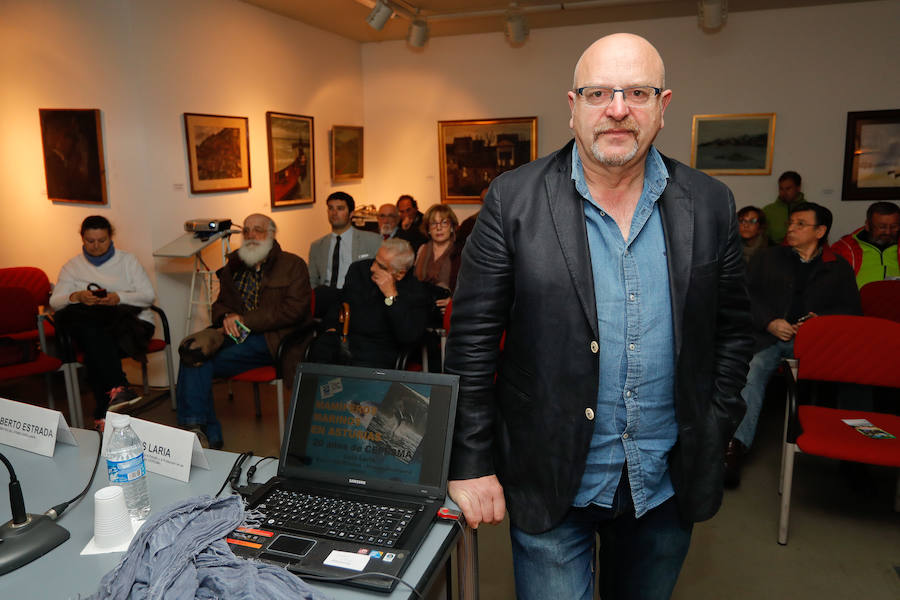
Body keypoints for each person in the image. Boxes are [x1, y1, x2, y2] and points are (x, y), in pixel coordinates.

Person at [444, 33, 753, 600]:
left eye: (636, 92)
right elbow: (471, 344)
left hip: (664, 482)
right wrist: (470, 461)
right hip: (551, 478)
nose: (617, 109)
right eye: (598, 93)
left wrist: (716, 418)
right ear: (572, 106)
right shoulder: (512, 199)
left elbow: (733, 331)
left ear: (663, 106)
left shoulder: (710, 203)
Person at [724, 202, 861, 487]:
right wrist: (770, 322)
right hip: (771, 337)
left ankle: (853, 458)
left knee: (853, 374)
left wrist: (820, 322)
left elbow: (851, 312)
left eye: (801, 224)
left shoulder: (839, 269)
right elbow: (743, 297)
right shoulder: (767, 258)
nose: (791, 228)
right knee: (752, 370)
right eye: (791, 223)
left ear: (820, 231)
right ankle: (734, 449)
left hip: (819, 343)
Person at [176, 214, 312, 449]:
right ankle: (199, 432)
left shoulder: (293, 264)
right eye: (246, 231)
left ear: (271, 235)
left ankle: (202, 432)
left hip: (276, 340)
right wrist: (226, 317)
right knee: (194, 353)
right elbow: (220, 304)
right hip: (235, 336)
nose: (251, 236)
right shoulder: (235, 265)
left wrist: (245, 320)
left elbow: (294, 310)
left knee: (200, 361)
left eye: (258, 230)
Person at [50, 216, 156, 429]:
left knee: (92, 339)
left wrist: (119, 297)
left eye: (102, 240)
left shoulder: (128, 261)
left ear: (110, 237)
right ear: (82, 239)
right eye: (90, 241)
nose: (96, 246)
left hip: (132, 324)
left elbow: (148, 296)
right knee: (93, 332)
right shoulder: (73, 266)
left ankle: (103, 412)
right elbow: (55, 301)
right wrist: (76, 296)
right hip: (99, 328)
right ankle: (118, 387)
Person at [339, 238, 431, 368]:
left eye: (381, 266)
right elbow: (343, 305)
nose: (372, 267)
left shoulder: (415, 292)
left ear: (399, 274)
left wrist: (391, 296)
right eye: (375, 260)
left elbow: (408, 335)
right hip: (347, 340)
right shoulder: (360, 270)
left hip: (379, 353)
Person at [307, 191, 380, 289]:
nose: (334, 213)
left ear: (351, 214)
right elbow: (312, 279)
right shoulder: (317, 246)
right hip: (326, 296)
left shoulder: (372, 240)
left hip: (358, 296)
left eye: (340, 208)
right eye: (330, 208)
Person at [830, 201, 900, 288]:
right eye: (882, 227)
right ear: (867, 225)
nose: (888, 232)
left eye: (894, 226)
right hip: (857, 300)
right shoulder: (844, 248)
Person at [414, 204, 462, 311]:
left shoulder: (461, 252)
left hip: (450, 312)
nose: (439, 228)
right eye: (433, 223)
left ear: (452, 227)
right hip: (421, 309)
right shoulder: (422, 249)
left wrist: (453, 302)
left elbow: (470, 287)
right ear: (428, 229)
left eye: (444, 223)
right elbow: (413, 283)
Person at [762, 171, 805, 245]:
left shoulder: (810, 210)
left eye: (788, 188)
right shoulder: (768, 210)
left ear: (798, 188)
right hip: (775, 251)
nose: (784, 192)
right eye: (781, 189)